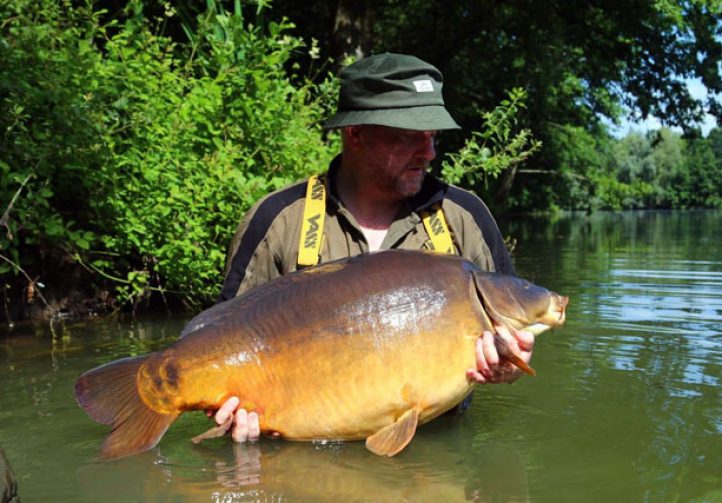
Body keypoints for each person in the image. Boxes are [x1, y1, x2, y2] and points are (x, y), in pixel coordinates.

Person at [211, 53, 535, 442]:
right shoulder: (278, 221)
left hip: (438, 459)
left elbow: (510, 335)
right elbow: (221, 340)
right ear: (356, 134)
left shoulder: (464, 218)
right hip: (300, 459)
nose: (428, 152)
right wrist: (227, 412)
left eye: (432, 135)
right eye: (409, 135)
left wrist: (510, 364)